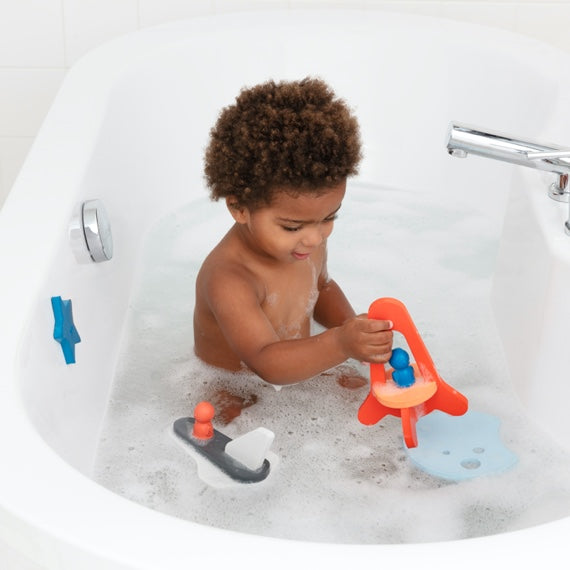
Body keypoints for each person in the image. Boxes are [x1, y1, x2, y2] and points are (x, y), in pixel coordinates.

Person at [194, 77, 393, 386]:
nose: (315, 237)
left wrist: (353, 330)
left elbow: (321, 288)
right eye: (292, 226)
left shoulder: (306, 241)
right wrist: (340, 343)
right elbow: (266, 360)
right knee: (228, 411)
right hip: (234, 384)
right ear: (239, 207)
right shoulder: (230, 278)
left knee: (360, 390)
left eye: (329, 217)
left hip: (297, 366)